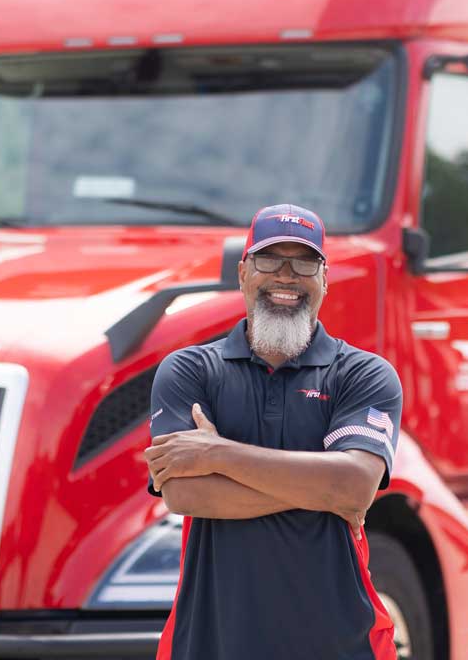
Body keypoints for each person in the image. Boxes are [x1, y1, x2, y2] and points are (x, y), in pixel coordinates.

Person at [145, 203, 402, 660]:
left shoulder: (363, 374)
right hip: (211, 640)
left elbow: (355, 486)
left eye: (304, 262)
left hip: (339, 643)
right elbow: (184, 495)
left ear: (324, 279)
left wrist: (218, 455)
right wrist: (323, 490)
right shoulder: (190, 370)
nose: (286, 276)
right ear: (244, 272)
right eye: (269, 260)